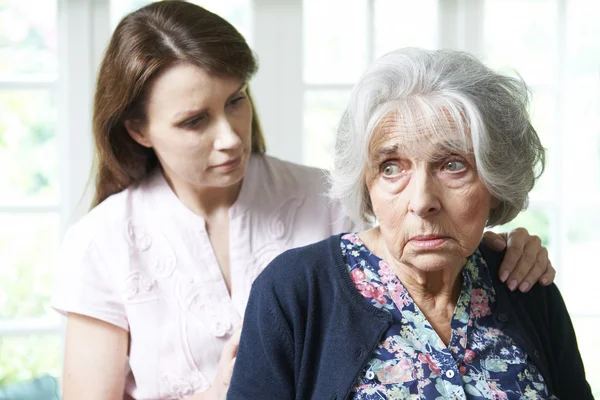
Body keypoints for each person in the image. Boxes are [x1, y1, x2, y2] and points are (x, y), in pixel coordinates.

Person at [51, 2, 555, 399]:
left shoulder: (328, 196)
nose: (229, 137)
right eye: (194, 120)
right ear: (137, 129)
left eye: (236, 100)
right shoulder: (102, 241)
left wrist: (500, 244)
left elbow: (419, 231)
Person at [228, 48, 593, 399]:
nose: (422, 202)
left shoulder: (524, 284)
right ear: (367, 185)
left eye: (452, 165)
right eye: (391, 168)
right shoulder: (294, 290)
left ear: (495, 182)